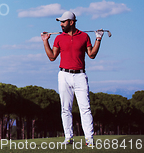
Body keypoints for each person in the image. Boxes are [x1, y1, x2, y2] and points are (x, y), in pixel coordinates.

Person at [41, 11, 103, 148]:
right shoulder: (59, 38)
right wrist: (45, 41)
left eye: (64, 22)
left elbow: (92, 54)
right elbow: (52, 57)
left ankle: (89, 138)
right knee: (65, 108)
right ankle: (68, 137)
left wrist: (98, 39)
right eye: (60, 22)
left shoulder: (84, 36)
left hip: (80, 75)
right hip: (64, 75)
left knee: (85, 108)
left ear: (72, 22)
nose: (61, 24)